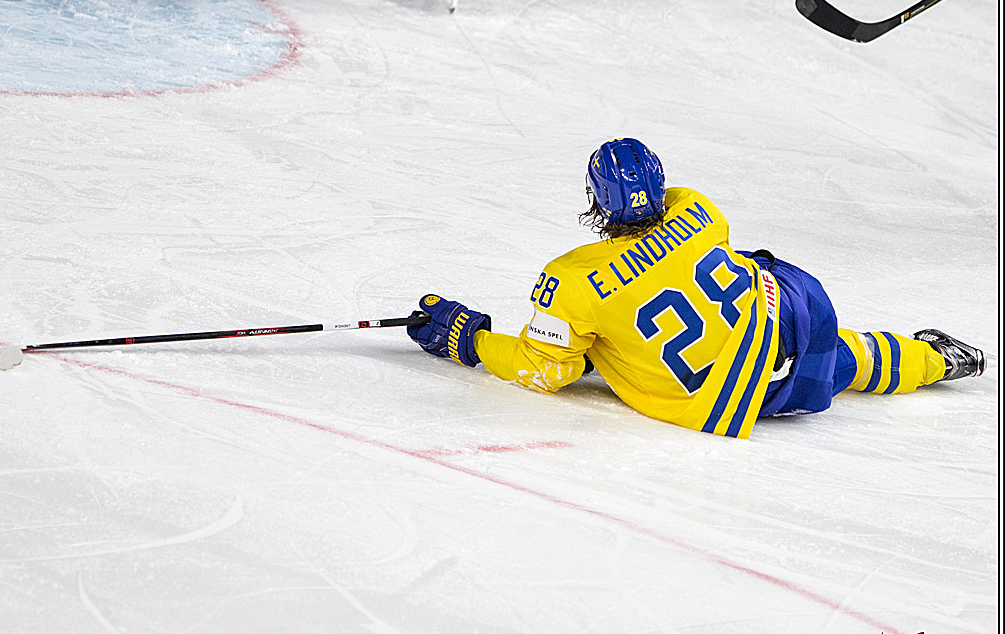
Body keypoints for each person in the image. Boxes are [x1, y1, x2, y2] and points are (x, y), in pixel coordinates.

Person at [406, 138, 986, 438]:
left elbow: (548, 372)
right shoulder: (698, 209)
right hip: (789, 319)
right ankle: (936, 359)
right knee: (843, 356)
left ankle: (931, 360)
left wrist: (471, 341)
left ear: (595, 201)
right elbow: (672, 234)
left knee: (600, 344)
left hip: (729, 396)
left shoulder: (570, 281)